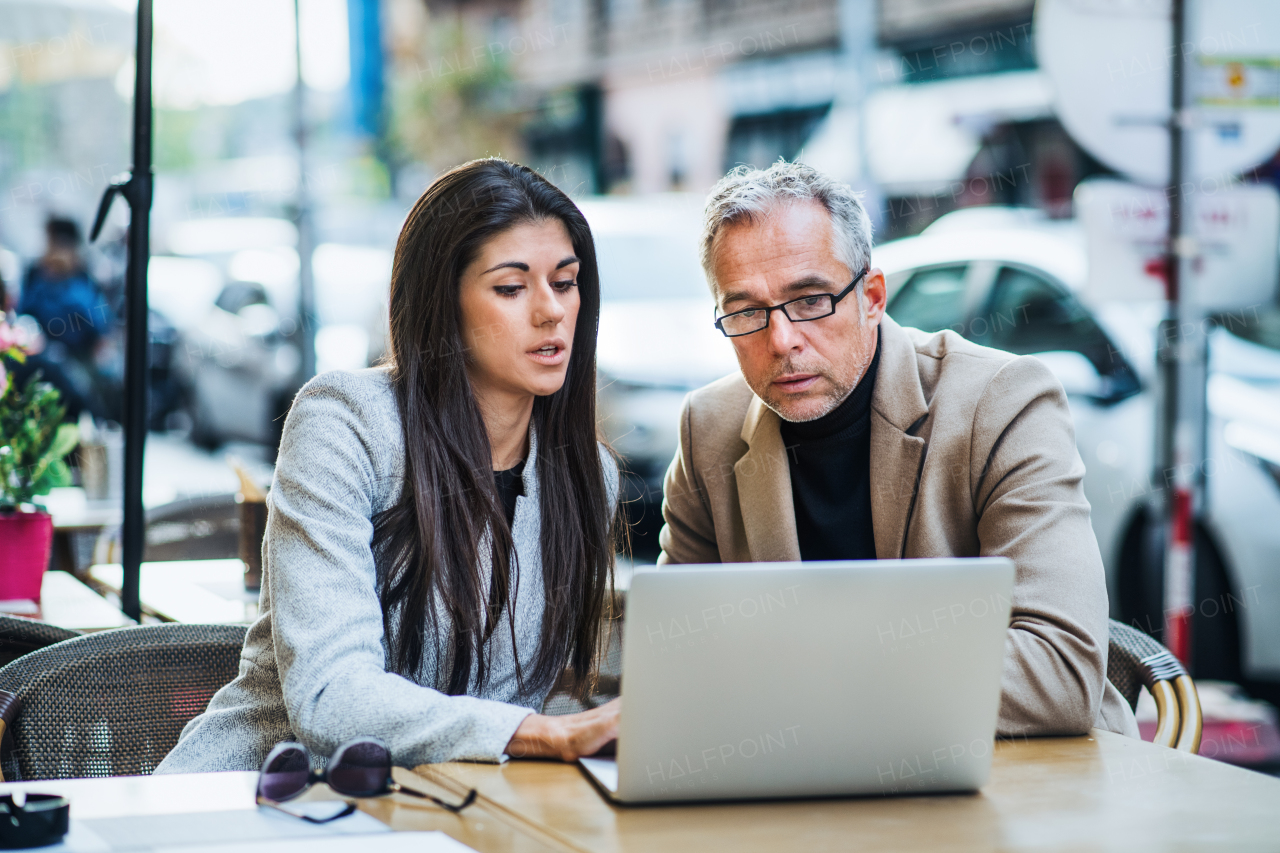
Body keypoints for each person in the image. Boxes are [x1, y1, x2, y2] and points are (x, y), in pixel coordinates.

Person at [157, 159, 622, 773]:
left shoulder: (586, 474)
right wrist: (544, 734)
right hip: (270, 797)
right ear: (441, 303)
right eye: (511, 287)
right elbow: (333, 699)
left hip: (456, 811)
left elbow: (537, 692)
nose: (551, 311)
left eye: (564, 283)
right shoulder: (345, 424)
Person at [659, 161, 1139, 739]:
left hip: (1023, 783)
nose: (781, 340)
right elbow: (678, 657)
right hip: (804, 782)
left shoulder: (1003, 402)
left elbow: (1057, 676)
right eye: (745, 313)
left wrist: (797, 677)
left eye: (810, 300)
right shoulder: (708, 427)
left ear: (872, 296)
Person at [13, 217, 113, 419]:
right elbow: (24, 316)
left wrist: (64, 280)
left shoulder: (83, 276)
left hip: (78, 359)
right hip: (39, 358)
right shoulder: (35, 273)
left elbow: (99, 322)